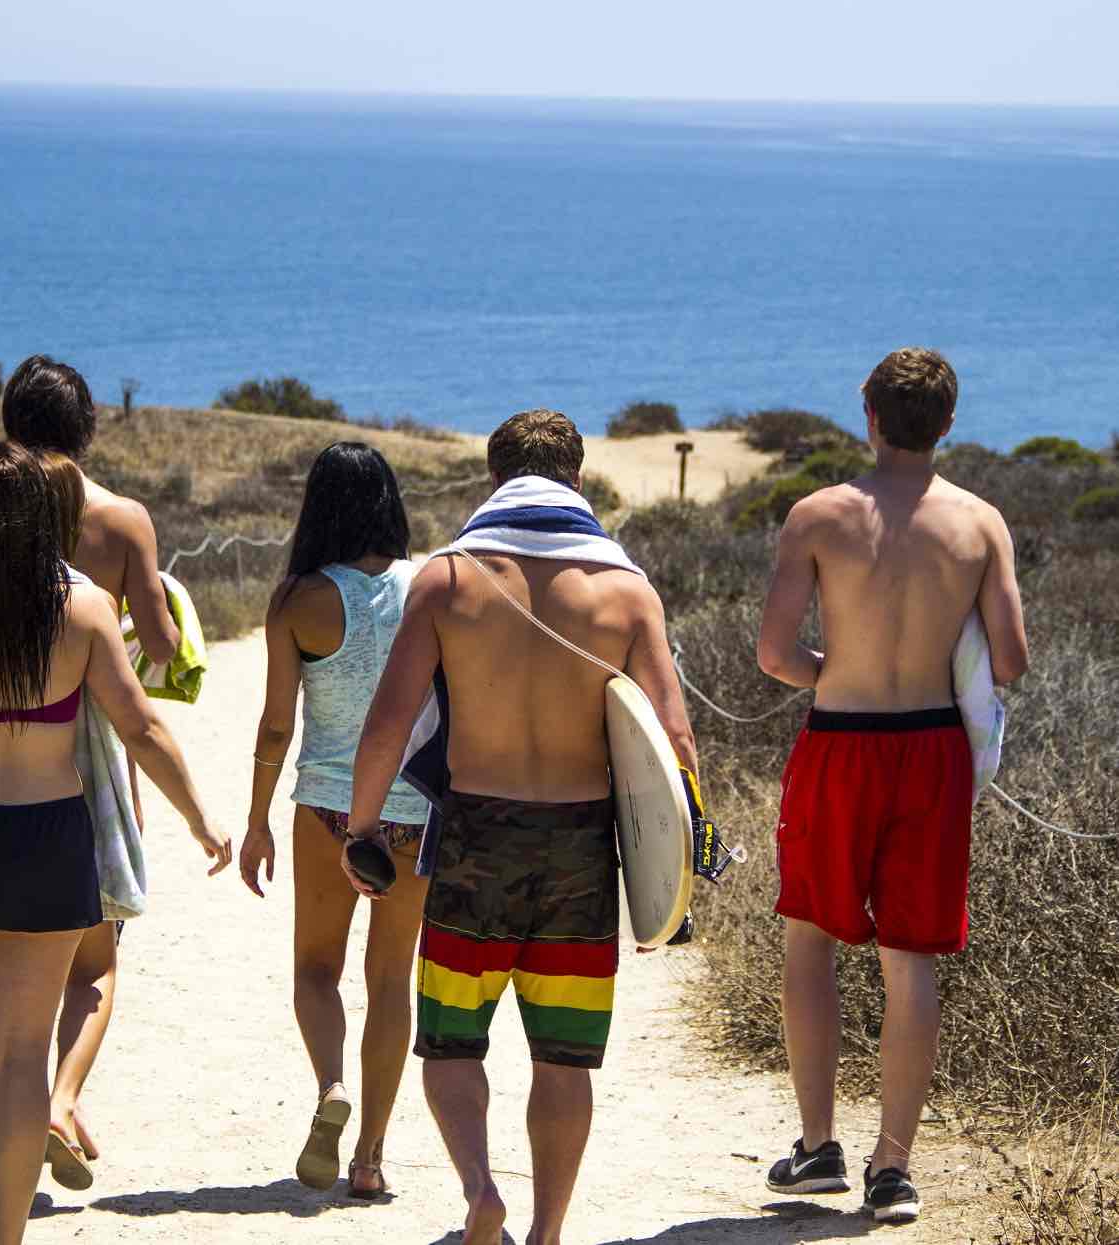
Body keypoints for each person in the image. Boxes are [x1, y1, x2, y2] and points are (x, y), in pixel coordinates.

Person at [0, 442, 230, 1245]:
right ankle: (7, 1238)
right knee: (22, 1054)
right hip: (49, 841)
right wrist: (201, 817)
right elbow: (141, 724)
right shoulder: (85, 609)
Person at [342, 410, 698, 1245]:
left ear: (493, 478)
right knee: (564, 1057)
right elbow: (673, 739)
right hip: (580, 846)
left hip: (476, 838)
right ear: (576, 477)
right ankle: (546, 1232)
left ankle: (479, 1193)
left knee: (452, 1042)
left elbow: (387, 726)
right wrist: (681, 871)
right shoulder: (626, 590)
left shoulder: (449, 580)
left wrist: (361, 829)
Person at [756, 348, 1028, 1222]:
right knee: (910, 955)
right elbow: (1010, 659)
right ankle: (893, 1167)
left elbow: (773, 654)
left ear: (865, 414)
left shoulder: (818, 515)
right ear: (948, 421)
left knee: (810, 935)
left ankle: (816, 1146)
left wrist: (834, 671)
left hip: (842, 739)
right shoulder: (980, 523)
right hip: (931, 748)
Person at [1, 354, 179, 1180]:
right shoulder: (121, 519)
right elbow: (163, 655)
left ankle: (9, 1095)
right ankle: (60, 1098)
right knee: (96, 959)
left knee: (3, 944)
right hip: (91, 747)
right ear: (87, 427)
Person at [239, 442, 431, 1198]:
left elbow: (274, 728)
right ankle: (371, 1157)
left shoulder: (299, 599)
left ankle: (329, 1088)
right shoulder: (433, 589)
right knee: (389, 980)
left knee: (315, 971)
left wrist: (255, 821)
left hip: (325, 808)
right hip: (413, 815)